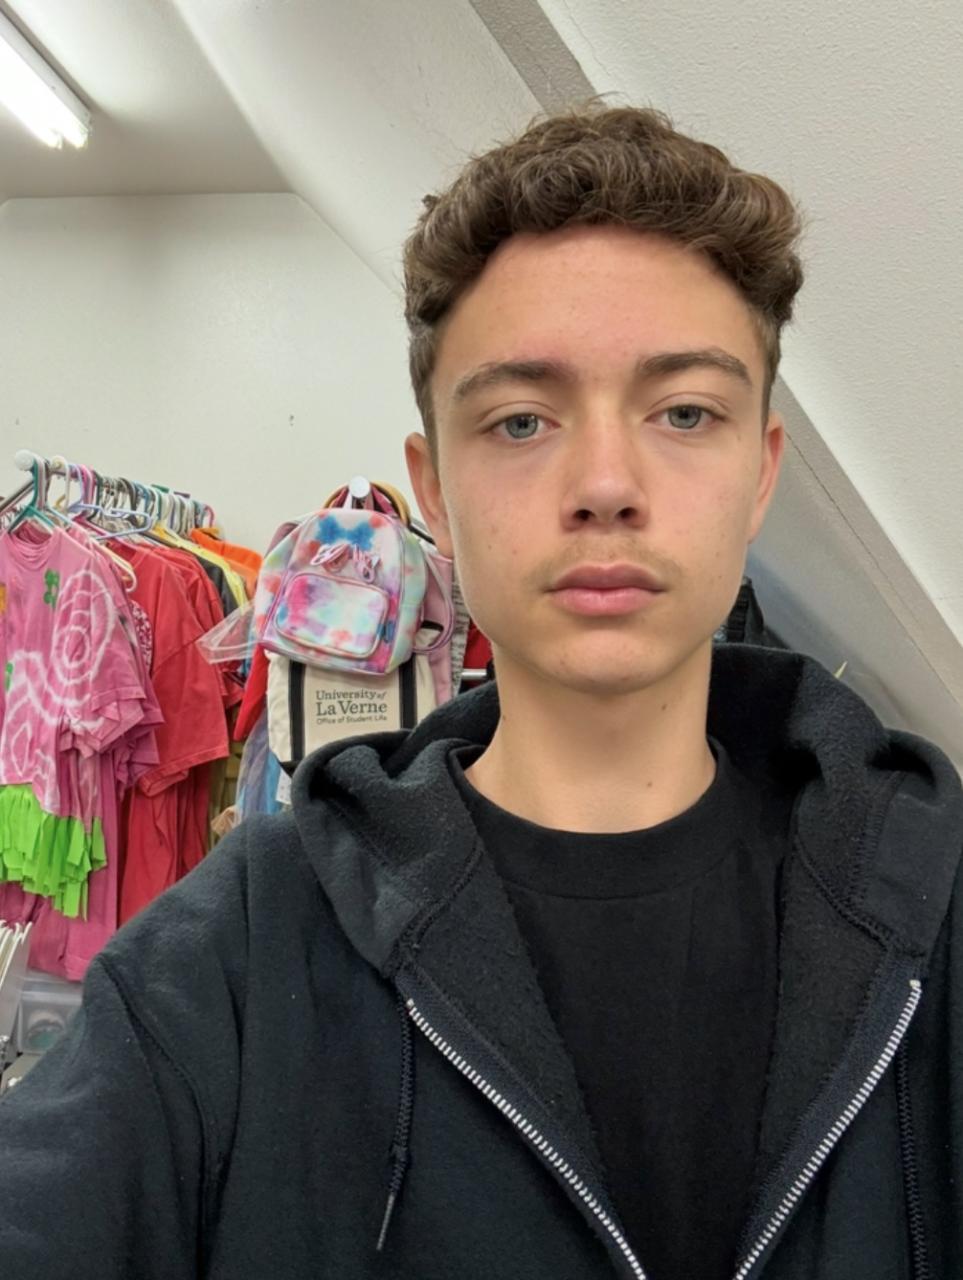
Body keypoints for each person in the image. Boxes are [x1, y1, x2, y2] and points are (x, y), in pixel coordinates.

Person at [1, 100, 961, 1280]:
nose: (605, 482)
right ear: (435, 490)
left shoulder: (933, 906)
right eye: (519, 420)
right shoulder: (237, 950)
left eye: (684, 412)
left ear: (760, 472)